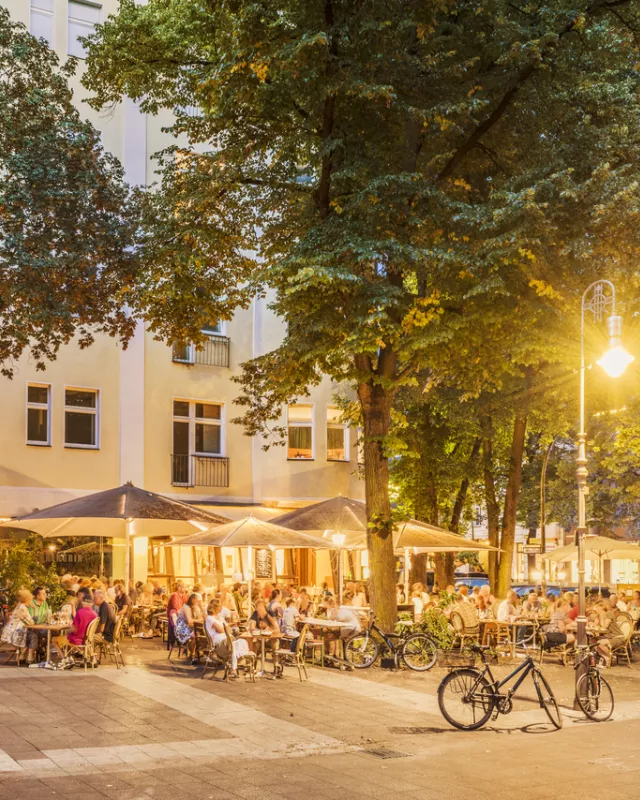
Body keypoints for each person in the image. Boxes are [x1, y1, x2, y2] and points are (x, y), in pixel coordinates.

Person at [205, 599, 251, 678]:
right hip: (220, 644)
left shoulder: (220, 618)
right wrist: (225, 629)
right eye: (220, 606)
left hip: (228, 640)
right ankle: (233, 667)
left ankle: (233, 668)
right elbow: (221, 629)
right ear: (215, 607)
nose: (221, 608)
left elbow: (229, 629)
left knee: (243, 641)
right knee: (234, 644)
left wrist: (225, 629)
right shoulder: (209, 618)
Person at [0, 589, 34, 661]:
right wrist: (34, 611)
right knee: (32, 636)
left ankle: (21, 656)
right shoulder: (23, 608)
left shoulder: (19, 606)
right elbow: (30, 621)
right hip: (16, 632)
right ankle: (23, 656)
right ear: (27, 599)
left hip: (8, 630)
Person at [174, 593, 203, 665]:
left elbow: (201, 617)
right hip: (182, 628)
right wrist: (198, 620)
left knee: (202, 634)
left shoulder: (195, 607)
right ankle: (192, 653)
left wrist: (200, 608)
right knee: (196, 636)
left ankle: (197, 652)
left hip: (190, 627)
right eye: (197, 600)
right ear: (193, 599)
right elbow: (190, 621)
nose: (198, 602)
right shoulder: (186, 607)